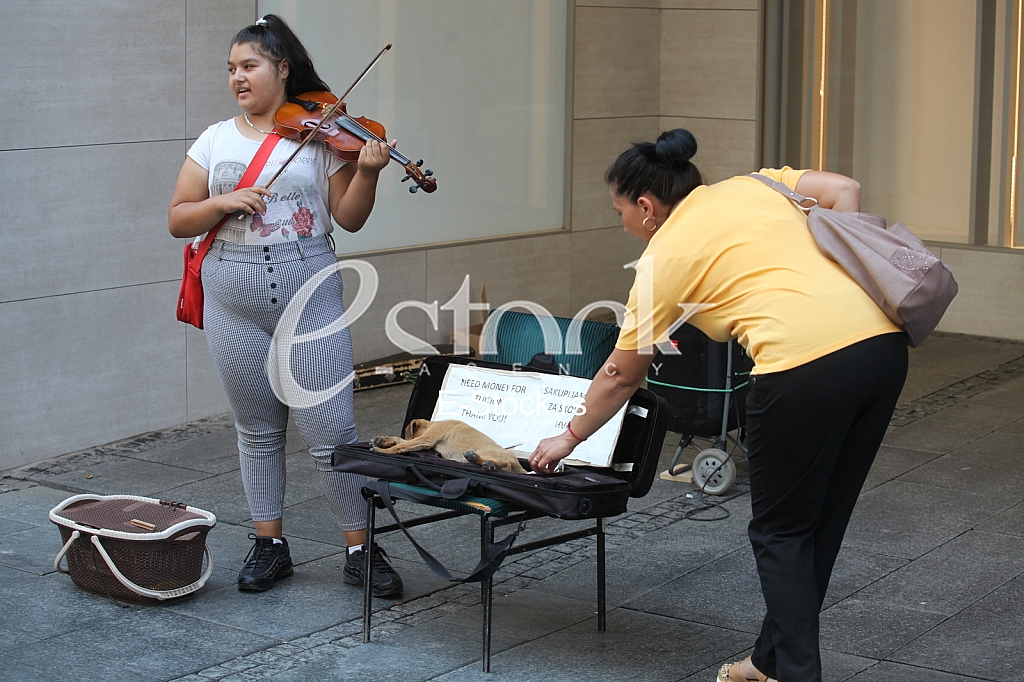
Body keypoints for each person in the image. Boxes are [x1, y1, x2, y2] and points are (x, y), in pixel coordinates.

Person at [529, 129, 907, 682]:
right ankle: (767, 660)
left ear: (646, 206)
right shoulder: (754, 185)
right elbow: (844, 189)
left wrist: (568, 437)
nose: (625, 227)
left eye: (620, 214)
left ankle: (797, 674)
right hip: (882, 346)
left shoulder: (663, 258)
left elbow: (618, 375)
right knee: (817, 523)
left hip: (802, 368)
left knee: (779, 534)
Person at [168, 15, 403, 598]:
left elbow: (348, 217)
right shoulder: (215, 140)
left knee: (332, 431)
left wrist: (368, 173)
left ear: (282, 69)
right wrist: (225, 198)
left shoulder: (321, 137)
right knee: (258, 431)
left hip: (310, 299)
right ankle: (269, 543)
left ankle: (359, 546)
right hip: (234, 304)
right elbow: (178, 218)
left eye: (248, 66)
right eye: (231, 69)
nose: (237, 78)